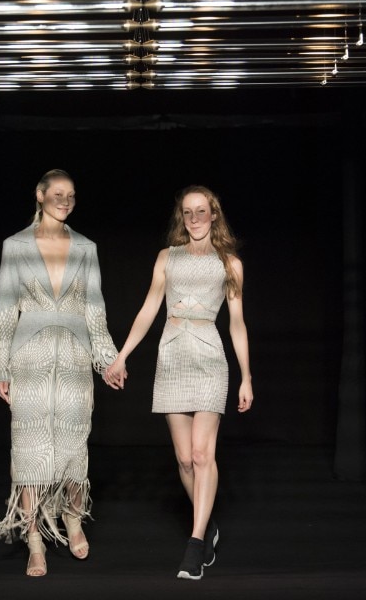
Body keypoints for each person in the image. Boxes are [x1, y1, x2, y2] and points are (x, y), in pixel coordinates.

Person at [104, 184, 253, 580]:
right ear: (181, 218)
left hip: (210, 360)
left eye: (202, 211)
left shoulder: (230, 264)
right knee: (185, 459)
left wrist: (246, 376)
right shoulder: (167, 258)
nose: (195, 218)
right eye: (188, 212)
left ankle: (195, 542)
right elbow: (149, 308)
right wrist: (121, 355)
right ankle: (208, 525)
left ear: (214, 214)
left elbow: (237, 323)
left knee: (203, 455)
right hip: (172, 358)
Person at [0, 169, 119, 577]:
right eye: (57, 193)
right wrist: (1, 366)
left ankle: (73, 519)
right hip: (29, 356)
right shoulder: (15, 246)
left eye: (71, 195)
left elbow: (95, 310)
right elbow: (5, 310)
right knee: (29, 449)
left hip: (76, 356)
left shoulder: (86, 248)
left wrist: (108, 359)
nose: (65, 201)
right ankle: (34, 540)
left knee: (74, 444)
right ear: (40, 195)